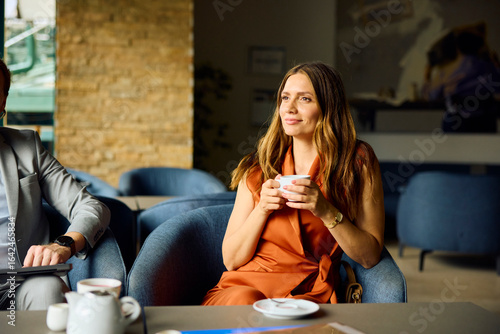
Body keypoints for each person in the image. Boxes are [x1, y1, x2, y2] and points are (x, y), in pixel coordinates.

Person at [202, 62, 385, 305]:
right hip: (244, 288)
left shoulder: (357, 162)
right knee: (247, 302)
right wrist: (262, 209)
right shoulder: (258, 167)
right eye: (285, 97)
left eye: (305, 99)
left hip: (308, 296)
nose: (289, 108)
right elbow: (231, 260)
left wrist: (326, 210)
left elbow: (370, 257)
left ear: (328, 107)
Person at [0, 58, 110, 310]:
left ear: (2, 102)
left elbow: (92, 208)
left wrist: (64, 244)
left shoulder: (27, 148)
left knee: (48, 289)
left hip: (21, 282)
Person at [422, 27, 500, 133]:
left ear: (457, 49)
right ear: (478, 47)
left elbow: (431, 96)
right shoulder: (488, 68)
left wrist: (427, 76)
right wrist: (496, 65)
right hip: (484, 125)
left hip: (456, 126)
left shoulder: (447, 71)